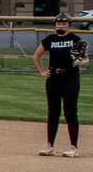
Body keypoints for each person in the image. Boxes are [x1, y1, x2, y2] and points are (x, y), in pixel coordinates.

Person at [33, 12, 89, 157]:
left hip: (70, 78)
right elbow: (36, 55)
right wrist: (42, 71)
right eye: (58, 23)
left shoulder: (74, 39)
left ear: (69, 26)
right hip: (54, 78)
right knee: (53, 112)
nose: (61, 26)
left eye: (64, 23)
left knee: (70, 112)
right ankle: (49, 146)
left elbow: (86, 60)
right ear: (55, 25)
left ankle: (73, 148)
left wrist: (80, 61)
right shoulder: (50, 39)